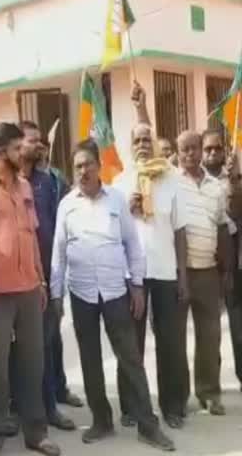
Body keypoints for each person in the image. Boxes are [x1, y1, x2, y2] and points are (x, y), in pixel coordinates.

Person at [50, 140, 174, 451]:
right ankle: (102, 420)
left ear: (98, 166)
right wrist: (56, 296)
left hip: (117, 292)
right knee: (90, 360)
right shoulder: (67, 205)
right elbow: (58, 255)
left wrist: (136, 287)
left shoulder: (117, 200)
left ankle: (148, 425)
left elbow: (133, 246)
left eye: (87, 164)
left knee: (131, 359)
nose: (82, 171)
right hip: (81, 294)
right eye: (77, 166)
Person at [0, 122, 59, 456]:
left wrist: (41, 280)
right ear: (2, 150)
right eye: (18, 148)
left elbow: (31, 235)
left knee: (33, 362)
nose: (25, 153)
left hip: (28, 289)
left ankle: (36, 433)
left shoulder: (24, 187)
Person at [111, 124, 189, 429]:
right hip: (134, 276)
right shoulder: (120, 183)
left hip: (166, 272)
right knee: (132, 344)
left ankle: (171, 406)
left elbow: (181, 231)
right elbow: (113, 231)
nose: (143, 144)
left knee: (170, 343)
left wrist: (183, 276)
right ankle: (131, 408)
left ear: (155, 144)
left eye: (147, 139)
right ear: (131, 146)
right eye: (138, 140)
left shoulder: (172, 180)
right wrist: (128, 212)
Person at [17, 120, 75, 432]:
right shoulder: (10, 183)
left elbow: (61, 229)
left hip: (47, 275)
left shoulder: (50, 182)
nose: (39, 146)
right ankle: (26, 407)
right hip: (15, 280)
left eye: (41, 141)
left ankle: (50, 406)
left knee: (47, 343)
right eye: (32, 141)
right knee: (22, 349)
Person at [175, 130, 232, 416]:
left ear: (200, 150)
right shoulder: (170, 182)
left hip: (208, 271)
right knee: (175, 338)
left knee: (210, 336)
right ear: (177, 151)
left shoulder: (216, 187)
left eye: (194, 148)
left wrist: (226, 270)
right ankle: (179, 396)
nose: (190, 154)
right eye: (184, 149)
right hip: (178, 273)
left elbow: (222, 227)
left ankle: (209, 392)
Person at [201, 129, 242, 391]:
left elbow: (235, 215)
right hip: (205, 267)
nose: (213, 153)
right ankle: (211, 386)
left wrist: (234, 184)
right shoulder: (194, 182)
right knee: (209, 332)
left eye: (217, 148)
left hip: (234, 267)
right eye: (208, 149)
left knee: (239, 332)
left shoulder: (236, 179)